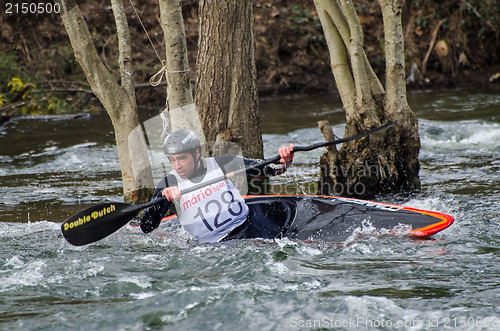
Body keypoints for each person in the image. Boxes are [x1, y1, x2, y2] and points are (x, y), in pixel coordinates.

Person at [140, 128, 294, 243]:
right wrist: (161, 199)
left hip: (248, 227)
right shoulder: (168, 184)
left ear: (197, 154)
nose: (177, 165)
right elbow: (147, 226)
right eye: (172, 160)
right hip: (212, 247)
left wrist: (284, 161)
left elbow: (269, 169)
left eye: (182, 158)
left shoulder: (222, 163)